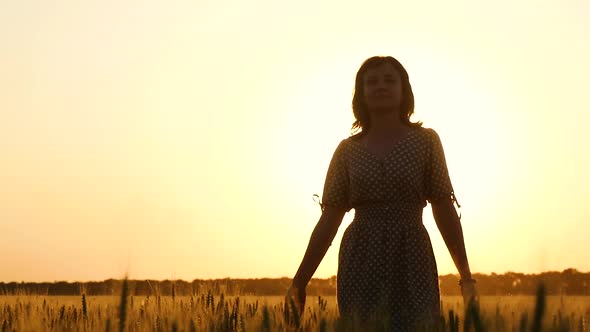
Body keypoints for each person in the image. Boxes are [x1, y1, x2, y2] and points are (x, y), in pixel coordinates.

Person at [285, 56, 477, 330]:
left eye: (389, 80)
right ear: (361, 93)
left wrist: (466, 276)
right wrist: (299, 282)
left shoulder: (426, 141)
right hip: (360, 257)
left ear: (404, 89)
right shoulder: (347, 150)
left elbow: (443, 208)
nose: (380, 86)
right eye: (371, 81)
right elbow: (329, 219)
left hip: (412, 255)